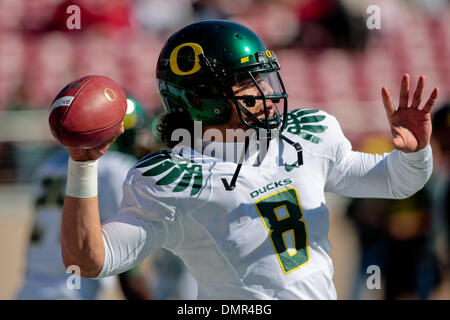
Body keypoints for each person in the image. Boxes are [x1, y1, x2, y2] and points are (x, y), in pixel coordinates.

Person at [60, 20, 438, 299]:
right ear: (202, 98)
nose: (269, 94)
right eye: (249, 83)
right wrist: (82, 163)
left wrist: (415, 152)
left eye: (267, 79)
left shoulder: (308, 136)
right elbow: (88, 261)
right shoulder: (172, 181)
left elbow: (396, 181)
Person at [16, 97, 153, 300]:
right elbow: (129, 271)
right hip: (72, 293)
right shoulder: (113, 169)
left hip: (28, 290)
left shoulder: (50, 165)